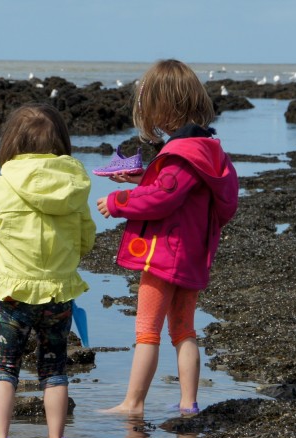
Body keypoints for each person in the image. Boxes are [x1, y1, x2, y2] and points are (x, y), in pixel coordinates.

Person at [96, 59, 238, 417]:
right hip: (191, 256)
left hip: (164, 258)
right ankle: (189, 404)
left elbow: (164, 198)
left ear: (163, 107)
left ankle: (133, 403)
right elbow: (172, 189)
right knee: (184, 330)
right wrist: (140, 181)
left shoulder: (181, 154)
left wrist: (119, 202)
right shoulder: (206, 150)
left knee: (147, 330)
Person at [0, 102, 96, 438]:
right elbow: (86, 240)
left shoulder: (1, 188)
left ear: (11, 144)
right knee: (54, 367)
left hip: (15, 294)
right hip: (58, 293)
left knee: (4, 367)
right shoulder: (75, 188)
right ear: (61, 142)